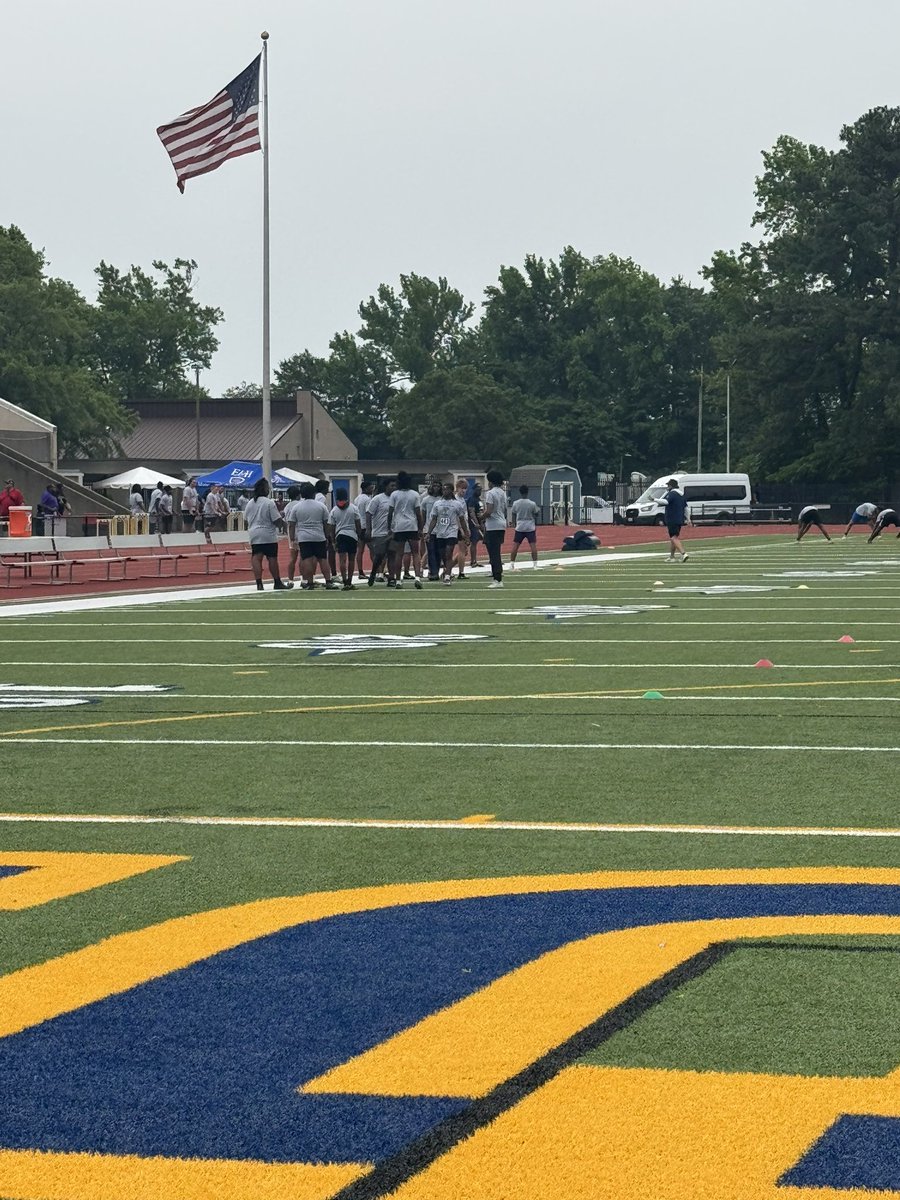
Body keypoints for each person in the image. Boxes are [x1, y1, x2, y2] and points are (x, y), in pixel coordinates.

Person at [244, 478, 292, 590]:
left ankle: (259, 583)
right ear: (265, 489)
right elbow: (276, 520)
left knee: (256, 557)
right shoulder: (269, 502)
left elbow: (246, 519)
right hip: (268, 534)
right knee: (272, 558)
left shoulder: (250, 503)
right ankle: (277, 582)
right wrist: (283, 524)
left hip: (254, 533)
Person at [290, 482, 338, 590]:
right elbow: (326, 523)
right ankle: (328, 581)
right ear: (313, 493)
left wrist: (292, 538)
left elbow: (291, 524)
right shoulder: (321, 506)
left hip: (304, 537)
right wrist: (327, 536)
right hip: (319, 536)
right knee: (322, 559)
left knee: (307, 559)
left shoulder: (297, 507)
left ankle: (310, 582)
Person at [427, 481, 470, 584]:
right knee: (443, 554)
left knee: (449, 552)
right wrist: (429, 532)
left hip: (452, 531)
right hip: (440, 532)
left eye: (447, 489)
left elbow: (462, 519)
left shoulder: (457, 504)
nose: (445, 491)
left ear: (451, 491)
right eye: (444, 489)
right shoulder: (437, 504)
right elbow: (434, 519)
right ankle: (447, 571)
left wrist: (466, 533)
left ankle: (447, 576)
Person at [388, 470, 424, 589]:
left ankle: (398, 580)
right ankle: (417, 577)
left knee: (399, 554)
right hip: (412, 525)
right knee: (415, 553)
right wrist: (420, 528)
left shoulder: (394, 495)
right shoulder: (414, 494)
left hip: (399, 526)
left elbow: (390, 512)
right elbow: (418, 513)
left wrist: (389, 527)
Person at [327, 487, 362, 590]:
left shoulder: (334, 510)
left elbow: (332, 527)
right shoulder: (354, 508)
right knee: (351, 560)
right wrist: (359, 537)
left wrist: (333, 541)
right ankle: (349, 581)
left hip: (340, 536)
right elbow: (358, 524)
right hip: (352, 536)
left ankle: (344, 580)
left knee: (342, 560)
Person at [366, 479, 396, 587]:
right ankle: (374, 572)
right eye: (392, 485)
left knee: (392, 555)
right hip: (379, 532)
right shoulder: (378, 499)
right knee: (379, 555)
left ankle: (391, 578)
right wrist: (369, 529)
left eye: (395, 486)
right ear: (386, 487)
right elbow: (369, 513)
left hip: (392, 532)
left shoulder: (396, 499)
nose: (394, 488)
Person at [482, 469, 509, 588]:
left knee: (494, 552)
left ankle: (497, 578)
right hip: (501, 523)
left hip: (493, 525)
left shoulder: (490, 493)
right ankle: (496, 573)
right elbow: (504, 509)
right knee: (495, 551)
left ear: (491, 482)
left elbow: (489, 511)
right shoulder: (503, 493)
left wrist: (481, 517)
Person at [509, 484, 540, 569]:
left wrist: (514, 523)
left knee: (516, 545)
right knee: (533, 545)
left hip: (520, 526)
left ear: (520, 492)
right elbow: (536, 513)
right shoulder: (532, 503)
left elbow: (513, 513)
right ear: (527, 492)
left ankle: (512, 564)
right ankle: (535, 565)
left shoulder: (516, 503)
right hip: (530, 526)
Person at [662, 478, 690, 562]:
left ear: (671, 486)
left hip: (672, 519)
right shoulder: (681, 494)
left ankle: (683, 553)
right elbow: (686, 508)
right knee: (674, 537)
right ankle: (672, 557)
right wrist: (688, 519)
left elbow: (665, 502)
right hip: (679, 519)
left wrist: (654, 500)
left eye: (668, 485)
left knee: (673, 538)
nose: (667, 487)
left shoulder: (672, 494)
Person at [421, 480, 443, 581]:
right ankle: (433, 572)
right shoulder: (426, 500)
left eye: (438, 486)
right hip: (428, 529)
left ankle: (436, 570)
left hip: (440, 529)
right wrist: (421, 528)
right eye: (434, 486)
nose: (436, 488)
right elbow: (423, 515)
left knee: (438, 551)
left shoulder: (442, 500)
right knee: (430, 551)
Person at [282, 485, 303, 583]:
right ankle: (303, 579)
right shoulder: (300, 505)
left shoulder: (287, 507)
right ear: (298, 495)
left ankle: (290, 579)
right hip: (301, 531)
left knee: (292, 558)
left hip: (291, 533)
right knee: (303, 558)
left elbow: (286, 521)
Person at [454, 478, 472, 579]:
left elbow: (465, 516)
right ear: (457, 488)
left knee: (464, 551)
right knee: (462, 550)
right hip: (458, 527)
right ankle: (461, 572)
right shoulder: (456, 500)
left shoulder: (462, 500)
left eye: (465, 488)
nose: (464, 490)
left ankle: (448, 570)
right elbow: (458, 517)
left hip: (464, 526)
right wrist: (462, 530)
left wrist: (467, 528)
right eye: (462, 488)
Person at [355, 482, 374, 581]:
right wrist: (369, 528)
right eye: (371, 488)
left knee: (360, 550)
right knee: (373, 549)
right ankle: (377, 570)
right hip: (366, 526)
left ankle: (360, 571)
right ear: (366, 489)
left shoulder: (357, 499)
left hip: (359, 526)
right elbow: (368, 513)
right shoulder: (368, 499)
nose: (372, 490)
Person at [468, 483, 486, 567]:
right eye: (478, 490)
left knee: (481, 541)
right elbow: (471, 512)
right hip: (474, 524)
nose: (479, 491)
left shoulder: (479, 499)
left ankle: (475, 560)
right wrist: (477, 523)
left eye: (480, 490)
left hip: (481, 523)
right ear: (474, 490)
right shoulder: (472, 499)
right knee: (474, 542)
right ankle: (473, 561)